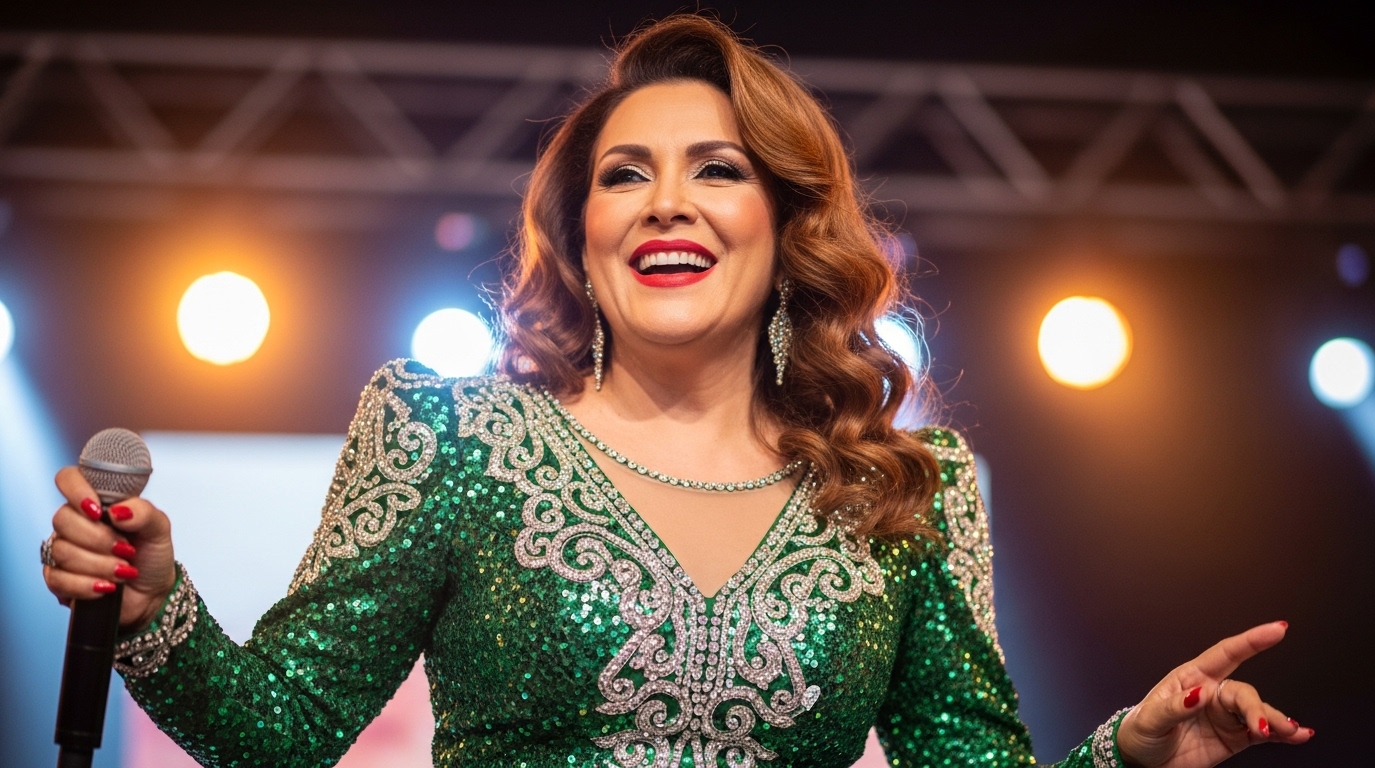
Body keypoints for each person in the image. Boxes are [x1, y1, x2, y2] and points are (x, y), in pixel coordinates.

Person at [39, 15, 1310, 768]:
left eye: (717, 170)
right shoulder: (448, 437)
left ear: (785, 222)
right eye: (623, 175)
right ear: (581, 230)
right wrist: (155, 607)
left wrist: (1127, 752)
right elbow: (276, 733)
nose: (664, 203)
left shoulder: (907, 492)